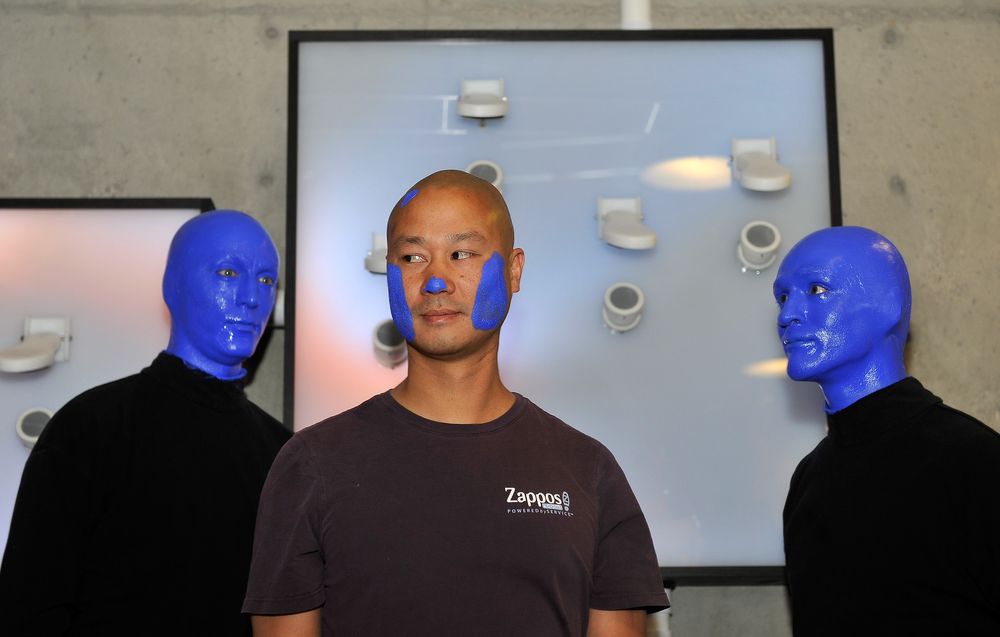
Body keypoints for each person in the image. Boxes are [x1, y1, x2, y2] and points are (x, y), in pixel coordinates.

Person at [243, 170, 668, 637]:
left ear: (513, 270)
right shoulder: (312, 465)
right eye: (412, 256)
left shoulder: (588, 471)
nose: (435, 281)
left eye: (461, 253)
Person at [0, 210, 291, 636]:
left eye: (267, 281)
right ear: (172, 286)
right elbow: (28, 605)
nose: (251, 297)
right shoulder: (91, 428)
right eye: (228, 272)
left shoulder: (286, 455)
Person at [773, 226, 1000, 635]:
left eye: (817, 290)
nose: (787, 315)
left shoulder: (974, 463)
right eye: (783, 296)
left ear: (887, 304)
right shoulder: (809, 481)